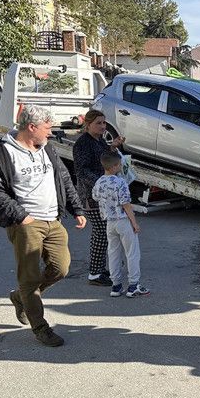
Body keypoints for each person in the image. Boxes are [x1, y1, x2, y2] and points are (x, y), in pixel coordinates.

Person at [0, 104, 87, 347]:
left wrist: (76, 208)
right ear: (31, 127)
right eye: (47, 128)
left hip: (53, 220)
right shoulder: (2, 154)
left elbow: (63, 178)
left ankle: (20, 297)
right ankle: (40, 327)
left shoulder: (47, 148)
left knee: (60, 268)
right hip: (26, 223)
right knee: (29, 278)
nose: (50, 132)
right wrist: (21, 216)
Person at [73, 110, 125, 287]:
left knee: (103, 232)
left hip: (103, 194)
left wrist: (113, 147)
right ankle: (95, 274)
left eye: (104, 123)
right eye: (98, 123)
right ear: (88, 125)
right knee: (101, 232)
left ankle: (99, 269)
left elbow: (103, 158)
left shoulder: (99, 140)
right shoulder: (82, 144)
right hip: (91, 195)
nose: (103, 126)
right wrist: (102, 183)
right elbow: (82, 171)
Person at [92, 151, 149, 298]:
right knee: (132, 253)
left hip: (109, 222)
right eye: (119, 165)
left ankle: (116, 285)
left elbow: (95, 196)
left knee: (113, 253)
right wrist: (134, 223)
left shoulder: (99, 182)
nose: (120, 167)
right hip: (123, 220)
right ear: (115, 166)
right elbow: (126, 204)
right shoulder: (120, 182)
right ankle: (133, 285)